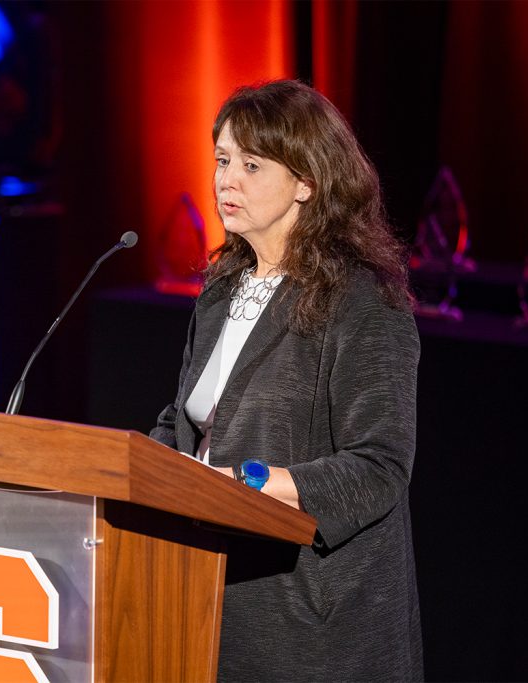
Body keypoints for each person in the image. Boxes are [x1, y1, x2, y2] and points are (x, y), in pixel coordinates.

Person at [150, 80, 422, 681]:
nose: (227, 180)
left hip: (313, 624)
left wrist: (244, 480)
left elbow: (379, 467)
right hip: (207, 592)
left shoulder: (363, 300)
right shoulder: (221, 289)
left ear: (307, 182)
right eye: (222, 161)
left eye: (251, 164)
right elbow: (184, 425)